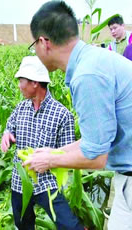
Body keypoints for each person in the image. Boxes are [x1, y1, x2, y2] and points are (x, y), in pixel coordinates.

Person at [24, 2, 132, 230]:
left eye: (34, 45)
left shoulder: (87, 75)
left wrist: (49, 160)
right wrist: (55, 152)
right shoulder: (92, 61)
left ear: (44, 42)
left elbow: (97, 157)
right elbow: (97, 139)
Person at [1, 56, 83, 230]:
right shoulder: (20, 108)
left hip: (48, 182)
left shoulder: (62, 114)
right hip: (20, 180)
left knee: (69, 225)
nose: (18, 86)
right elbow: (9, 127)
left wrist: (48, 161)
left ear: (34, 83)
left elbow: (68, 154)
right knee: (23, 224)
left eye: (21, 80)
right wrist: (6, 135)